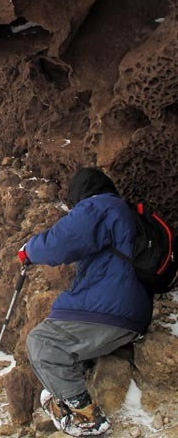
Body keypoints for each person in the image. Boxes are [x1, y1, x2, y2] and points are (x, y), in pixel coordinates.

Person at [18, 167, 153, 437]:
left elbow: (60, 243)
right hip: (131, 313)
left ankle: (85, 416)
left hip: (110, 312)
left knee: (42, 342)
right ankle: (69, 384)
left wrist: (28, 250)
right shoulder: (124, 213)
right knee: (58, 325)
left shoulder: (99, 206)